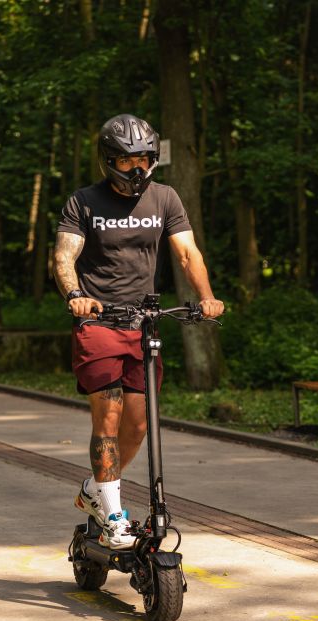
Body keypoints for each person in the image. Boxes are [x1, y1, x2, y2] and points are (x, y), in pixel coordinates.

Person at [53, 113, 224, 550]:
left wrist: (206, 297)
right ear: (109, 160)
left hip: (143, 323)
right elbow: (63, 258)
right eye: (129, 161)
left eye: (146, 159)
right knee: (107, 416)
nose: (139, 169)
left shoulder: (165, 199)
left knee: (138, 425)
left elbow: (187, 254)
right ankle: (112, 514)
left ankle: (95, 490)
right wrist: (76, 294)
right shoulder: (83, 202)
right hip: (97, 322)